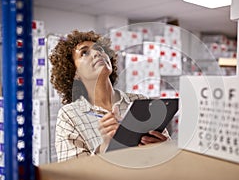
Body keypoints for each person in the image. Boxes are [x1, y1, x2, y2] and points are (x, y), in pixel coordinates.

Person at [50, 30, 169, 162]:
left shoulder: (140, 101)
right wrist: (104, 148)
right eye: (84, 53)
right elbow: (72, 175)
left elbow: (167, 155)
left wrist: (164, 146)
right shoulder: (69, 115)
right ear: (74, 73)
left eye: (99, 49)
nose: (97, 53)